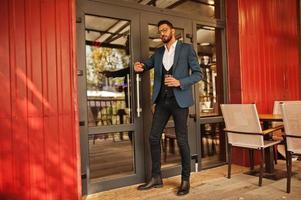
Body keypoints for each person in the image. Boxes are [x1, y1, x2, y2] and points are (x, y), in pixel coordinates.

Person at [134, 20, 203, 196]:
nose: (162, 33)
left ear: (173, 30)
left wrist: (180, 82)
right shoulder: (158, 52)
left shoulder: (186, 49)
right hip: (162, 102)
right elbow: (146, 66)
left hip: (180, 101)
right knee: (153, 137)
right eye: (160, 32)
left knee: (182, 140)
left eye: (164, 30)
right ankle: (156, 177)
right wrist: (139, 67)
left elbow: (198, 74)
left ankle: (185, 179)